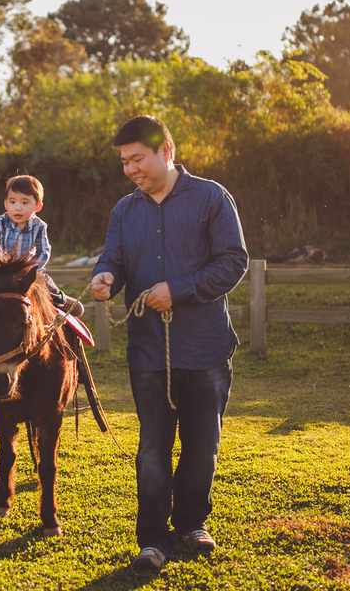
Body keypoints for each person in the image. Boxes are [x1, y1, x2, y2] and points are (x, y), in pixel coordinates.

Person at [90, 115, 248, 571]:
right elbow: (112, 258)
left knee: (202, 445)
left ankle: (192, 523)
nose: (131, 169)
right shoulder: (125, 210)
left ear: (166, 151)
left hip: (205, 348)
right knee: (153, 446)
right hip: (147, 351)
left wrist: (176, 289)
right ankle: (154, 541)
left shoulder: (211, 198)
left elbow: (233, 263)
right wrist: (106, 277)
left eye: (138, 158)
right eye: (124, 162)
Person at [0, 174, 83, 371]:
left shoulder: (39, 226)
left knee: (46, 284)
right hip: (2, 274)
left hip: (28, 272)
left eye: (25, 202)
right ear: (6, 204)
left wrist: (31, 270)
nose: (18, 207)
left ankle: (62, 300)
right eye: (13, 201)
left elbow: (44, 251)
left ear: (37, 206)